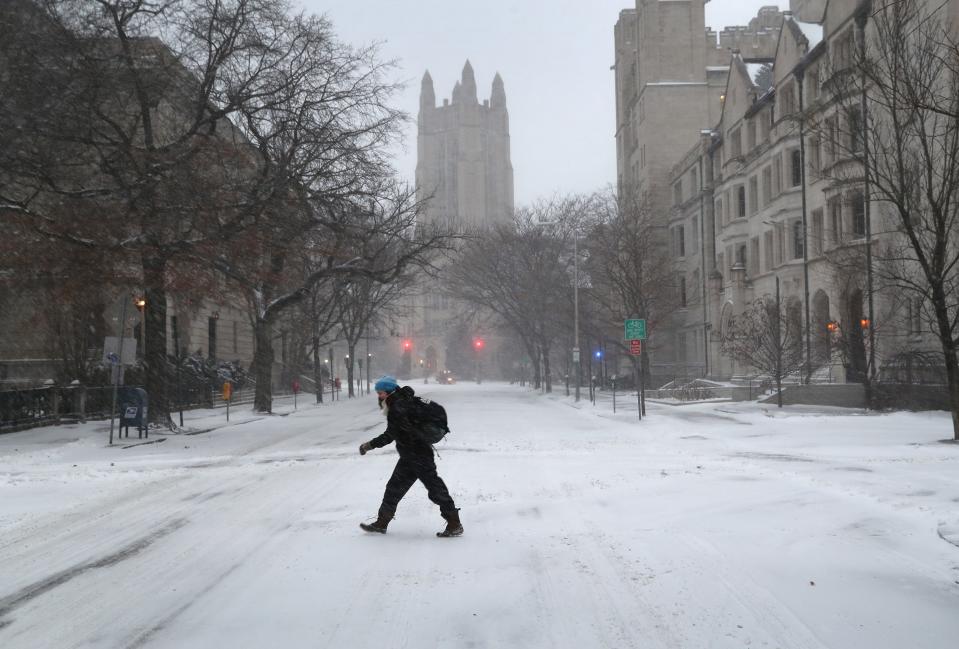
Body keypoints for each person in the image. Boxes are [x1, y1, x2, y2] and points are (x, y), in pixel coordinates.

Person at [358, 375, 463, 537]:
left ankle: (454, 523)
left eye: (381, 393)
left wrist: (369, 445)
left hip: (418, 454)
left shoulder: (397, 407)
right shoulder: (403, 402)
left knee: (435, 488)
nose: (379, 396)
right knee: (394, 488)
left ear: (389, 391)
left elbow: (389, 435)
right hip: (411, 454)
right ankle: (382, 522)